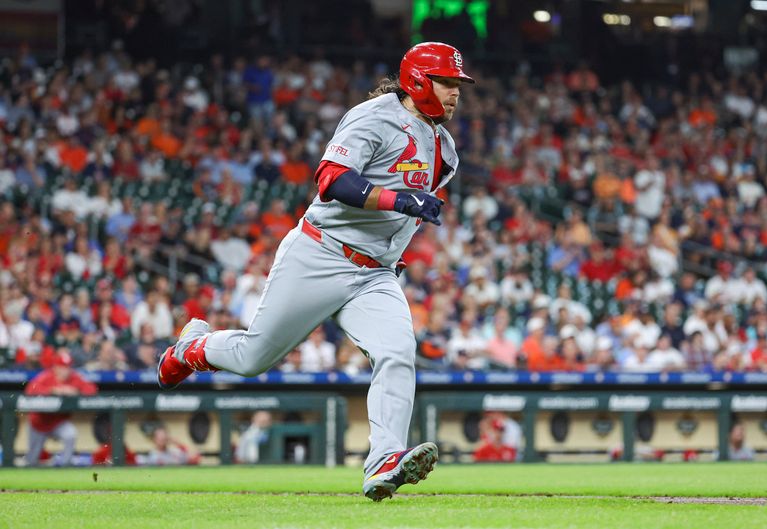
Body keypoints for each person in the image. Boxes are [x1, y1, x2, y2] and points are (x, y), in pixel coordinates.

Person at [158, 42, 473, 501]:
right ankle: (193, 348)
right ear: (419, 81)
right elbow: (331, 180)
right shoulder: (375, 116)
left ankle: (383, 460)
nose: (455, 93)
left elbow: (407, 215)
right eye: (447, 82)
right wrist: (396, 199)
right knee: (253, 358)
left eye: (458, 85)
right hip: (321, 254)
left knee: (398, 352)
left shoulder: (443, 147)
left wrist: (395, 237)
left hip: (375, 274)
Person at [24, 351, 98, 466]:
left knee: (70, 434)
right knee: (32, 460)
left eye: (67, 367)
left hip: (58, 422)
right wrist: (53, 390)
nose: (65, 370)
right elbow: (30, 390)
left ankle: (65, 465)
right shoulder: (46, 376)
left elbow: (92, 389)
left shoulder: (74, 377)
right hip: (39, 423)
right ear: (56, 367)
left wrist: (76, 391)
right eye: (62, 367)